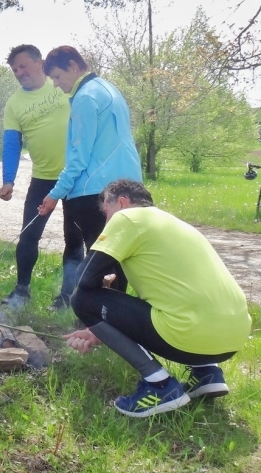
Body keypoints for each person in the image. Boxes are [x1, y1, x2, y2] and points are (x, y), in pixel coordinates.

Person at [64, 179, 251, 417]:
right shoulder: (174, 223)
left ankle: (159, 386)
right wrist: (98, 332)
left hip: (187, 335)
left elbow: (84, 279)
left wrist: (95, 320)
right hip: (233, 338)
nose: (106, 220)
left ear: (121, 203)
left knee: (81, 299)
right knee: (174, 301)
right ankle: (207, 373)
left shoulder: (126, 218)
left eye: (106, 212)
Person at [0, 44, 82, 311]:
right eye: (14, 70)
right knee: (28, 235)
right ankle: (22, 291)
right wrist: (8, 179)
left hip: (77, 176)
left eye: (23, 66)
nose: (19, 72)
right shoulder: (14, 104)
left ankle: (67, 297)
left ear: (39, 62)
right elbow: (12, 143)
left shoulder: (63, 85)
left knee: (74, 238)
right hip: (43, 178)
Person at [38, 45, 142, 256]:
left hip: (96, 191)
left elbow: (79, 157)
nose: (56, 85)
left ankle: (83, 290)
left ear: (73, 66)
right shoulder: (109, 89)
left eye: (57, 76)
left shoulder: (85, 98)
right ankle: (114, 290)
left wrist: (55, 193)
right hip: (130, 186)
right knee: (119, 257)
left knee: (96, 259)